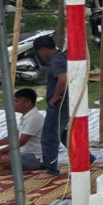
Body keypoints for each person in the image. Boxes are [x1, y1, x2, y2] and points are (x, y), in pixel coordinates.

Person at [0, 88, 45, 173]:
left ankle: (17, 171)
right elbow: (13, 137)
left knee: (2, 158)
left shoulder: (34, 118)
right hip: (24, 154)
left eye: (16, 101)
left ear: (27, 103)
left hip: (36, 158)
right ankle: (14, 169)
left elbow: (20, 142)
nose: (13, 104)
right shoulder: (26, 116)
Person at [35, 37, 66, 176]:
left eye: (39, 53)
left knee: (49, 137)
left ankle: (51, 168)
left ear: (43, 50)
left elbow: (62, 79)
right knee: (65, 133)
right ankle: (88, 158)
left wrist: (55, 96)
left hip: (59, 103)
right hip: (66, 102)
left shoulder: (56, 61)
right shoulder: (62, 57)